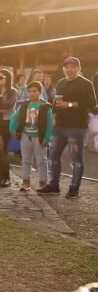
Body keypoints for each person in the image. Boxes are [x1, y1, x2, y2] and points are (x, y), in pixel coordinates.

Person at [38, 57, 97, 198]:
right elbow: (56, 101)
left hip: (76, 128)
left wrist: (70, 104)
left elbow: (92, 102)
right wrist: (53, 116)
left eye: (72, 67)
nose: (69, 70)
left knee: (75, 160)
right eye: (66, 67)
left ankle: (74, 189)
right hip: (59, 127)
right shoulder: (61, 82)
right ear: (63, 69)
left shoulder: (86, 83)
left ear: (78, 68)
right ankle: (54, 186)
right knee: (52, 157)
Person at [10, 81, 53, 192]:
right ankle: (25, 182)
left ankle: (43, 182)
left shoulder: (45, 106)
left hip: (39, 137)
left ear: (40, 92)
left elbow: (49, 124)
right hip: (25, 135)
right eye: (29, 91)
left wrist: (47, 138)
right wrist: (12, 129)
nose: (31, 93)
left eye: (34, 91)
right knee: (26, 160)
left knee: (41, 160)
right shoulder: (25, 104)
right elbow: (15, 117)